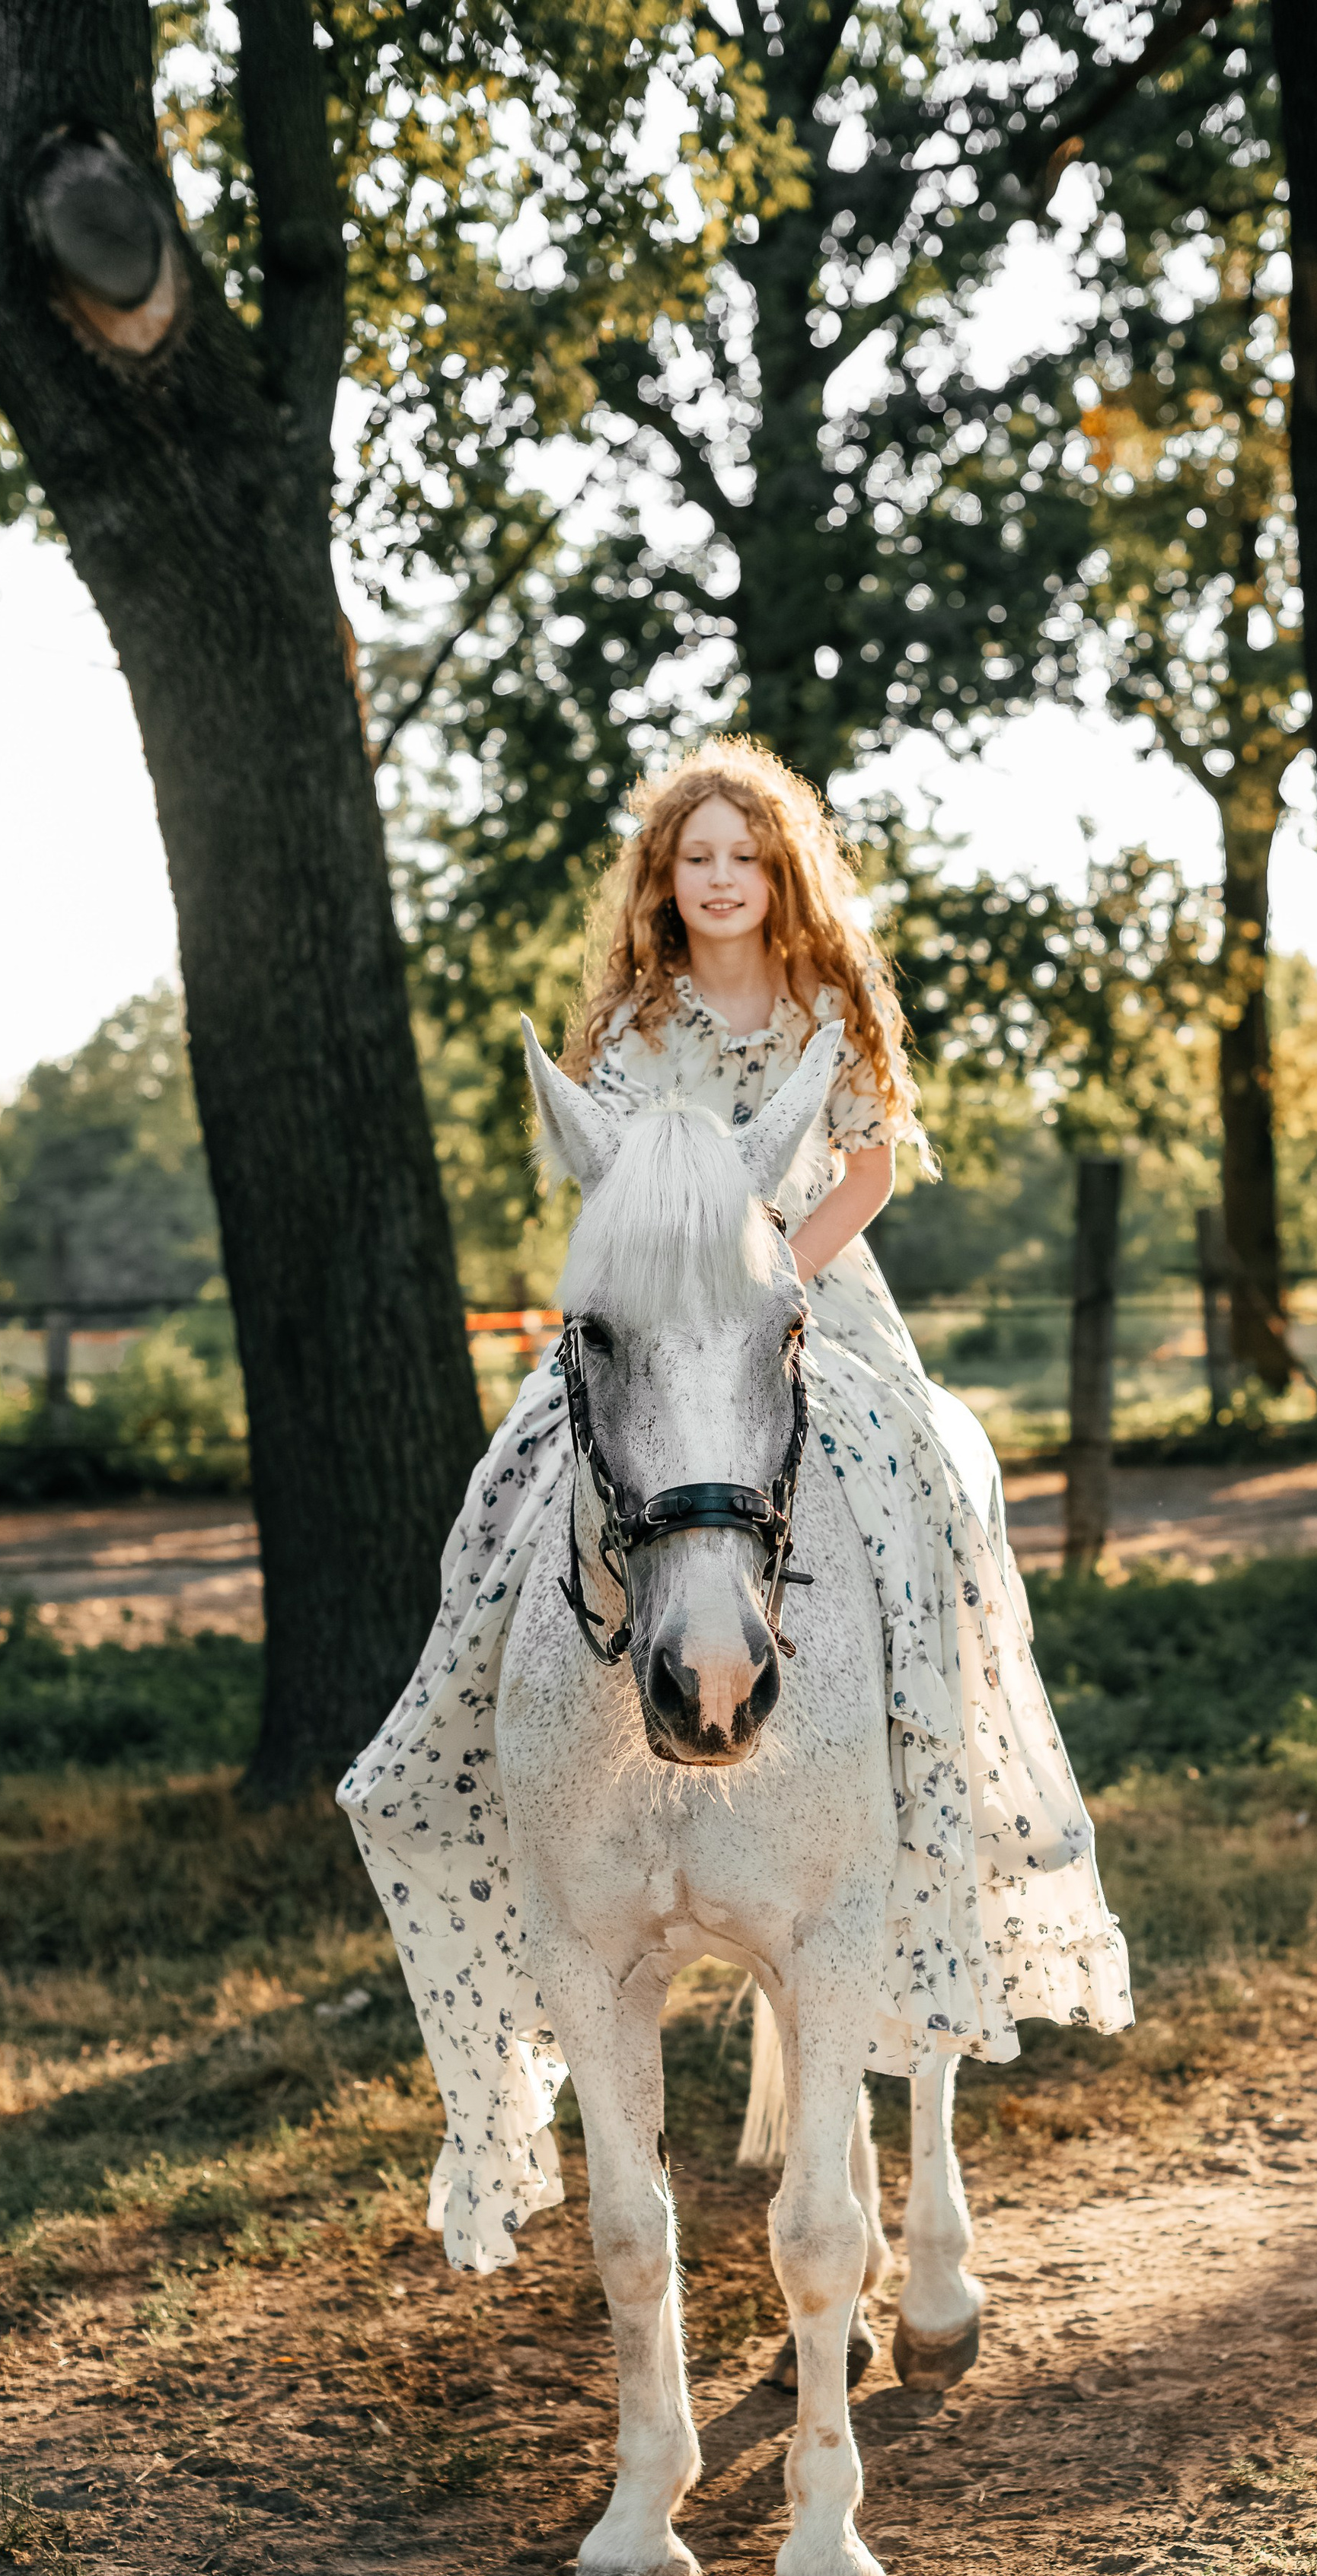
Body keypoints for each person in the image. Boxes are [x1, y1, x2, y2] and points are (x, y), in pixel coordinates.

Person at [340, 740, 1131, 2272]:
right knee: (510, 1493)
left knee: (928, 1479)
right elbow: (614, 1187)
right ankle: (460, 1741)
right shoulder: (637, 1026)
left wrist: (776, 1262)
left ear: (779, 876)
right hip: (662, 1314)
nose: (716, 879)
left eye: (742, 858)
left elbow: (870, 1170)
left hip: (812, 1295)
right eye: (691, 857)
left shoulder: (825, 1010)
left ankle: (948, 1744)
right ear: (660, 880)